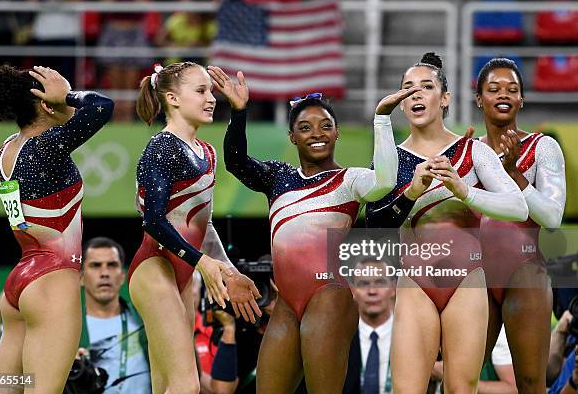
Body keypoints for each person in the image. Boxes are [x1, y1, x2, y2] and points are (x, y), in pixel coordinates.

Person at [211, 63, 405, 393]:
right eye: (305, 127)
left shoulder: (350, 179)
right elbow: (236, 162)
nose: (316, 133)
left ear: (337, 132)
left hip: (329, 294)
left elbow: (385, 182)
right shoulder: (278, 177)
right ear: (292, 136)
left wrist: (382, 118)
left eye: (325, 126)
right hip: (286, 301)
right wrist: (239, 111)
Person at [365, 52, 528, 393]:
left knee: (460, 389)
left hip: (466, 282)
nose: (416, 94)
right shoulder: (392, 157)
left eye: (426, 86)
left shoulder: (472, 152)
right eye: (407, 88)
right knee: (407, 389)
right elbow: (375, 223)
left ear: (445, 98)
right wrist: (411, 192)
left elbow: (517, 207)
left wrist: (464, 191)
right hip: (416, 283)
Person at [0, 64, 114, 393]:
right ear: (46, 104)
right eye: (60, 98)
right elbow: (102, 106)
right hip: (52, 282)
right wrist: (67, 94)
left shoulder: (8, 148)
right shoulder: (45, 147)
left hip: (19, 284)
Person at [128, 61, 261, 394]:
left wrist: (230, 272)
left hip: (184, 276)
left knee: (166, 385)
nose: (211, 98)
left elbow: (204, 225)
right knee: (186, 385)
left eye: (211, 91)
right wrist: (202, 262)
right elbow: (154, 221)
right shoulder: (161, 148)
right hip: (154, 268)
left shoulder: (207, 153)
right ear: (172, 98)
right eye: (201, 91)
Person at [476, 57, 566, 394]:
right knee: (461, 379)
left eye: (512, 89)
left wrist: (515, 175)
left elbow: (553, 218)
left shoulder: (542, 147)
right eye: (494, 88)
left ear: (521, 100)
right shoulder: (467, 150)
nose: (503, 94)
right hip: (477, 276)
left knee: (530, 382)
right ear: (479, 98)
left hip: (524, 271)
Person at [79, 237, 151, 393]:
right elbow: (20, 381)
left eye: (112, 265)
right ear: (81, 278)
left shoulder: (147, 321)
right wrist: (60, 367)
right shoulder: (63, 329)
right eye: (95, 265)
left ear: (122, 276)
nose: (104, 273)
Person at [343, 258, 396, 394]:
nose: (372, 291)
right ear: (353, 290)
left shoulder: (416, 336)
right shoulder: (340, 340)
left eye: (380, 283)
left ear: (394, 288)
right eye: (364, 284)